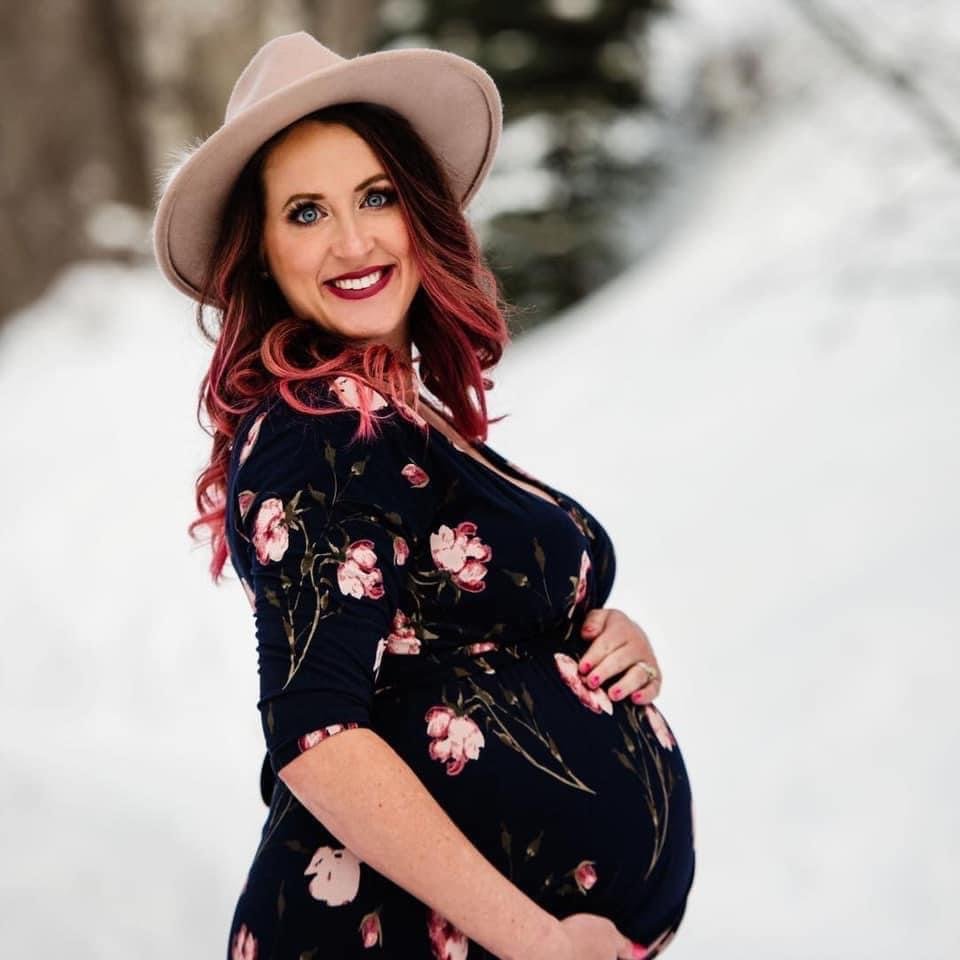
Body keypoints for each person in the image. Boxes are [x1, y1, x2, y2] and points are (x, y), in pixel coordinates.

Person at [152, 31, 695, 960]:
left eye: (376, 196)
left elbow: (448, 639)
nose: (354, 240)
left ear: (419, 211)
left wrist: (601, 642)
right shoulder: (321, 425)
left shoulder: (402, 418)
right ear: (263, 254)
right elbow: (317, 733)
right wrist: (532, 940)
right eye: (307, 212)